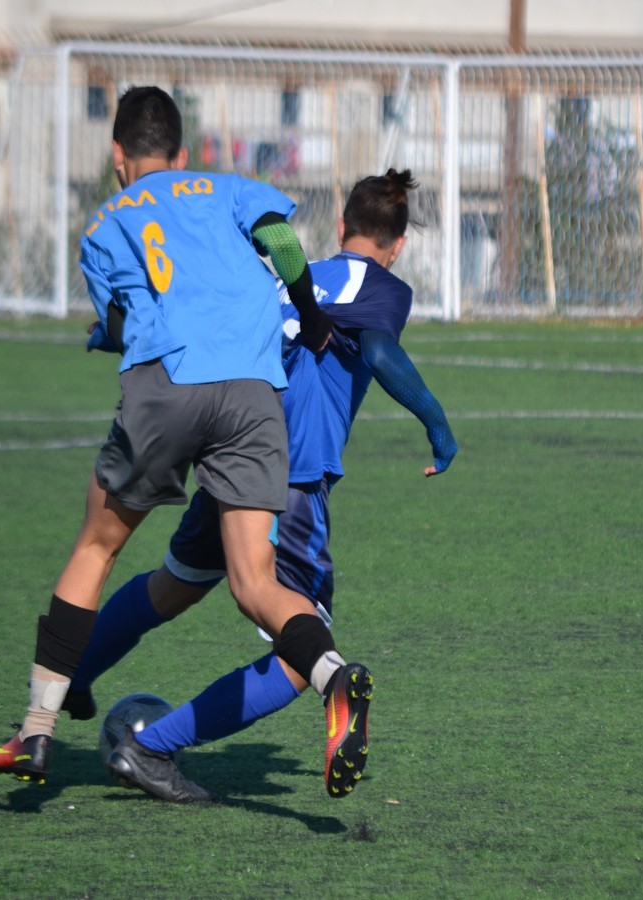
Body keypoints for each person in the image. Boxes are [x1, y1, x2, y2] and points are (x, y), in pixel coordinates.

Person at [0, 86, 370, 800]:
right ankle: (332, 676)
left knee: (96, 547)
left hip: (169, 383)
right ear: (182, 152)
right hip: (253, 391)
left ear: (118, 154)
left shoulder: (107, 221)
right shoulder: (228, 187)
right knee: (255, 582)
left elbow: (121, 320)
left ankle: (36, 730)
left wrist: (104, 338)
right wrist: (313, 318)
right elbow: (284, 243)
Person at [65, 168, 457, 802]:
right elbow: (381, 353)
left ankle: (73, 673)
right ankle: (151, 747)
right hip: (290, 473)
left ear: (340, 226)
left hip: (233, 443)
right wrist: (438, 427)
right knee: (302, 654)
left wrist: (111, 337)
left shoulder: (284, 278)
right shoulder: (381, 285)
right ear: (399, 243)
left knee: (172, 586)